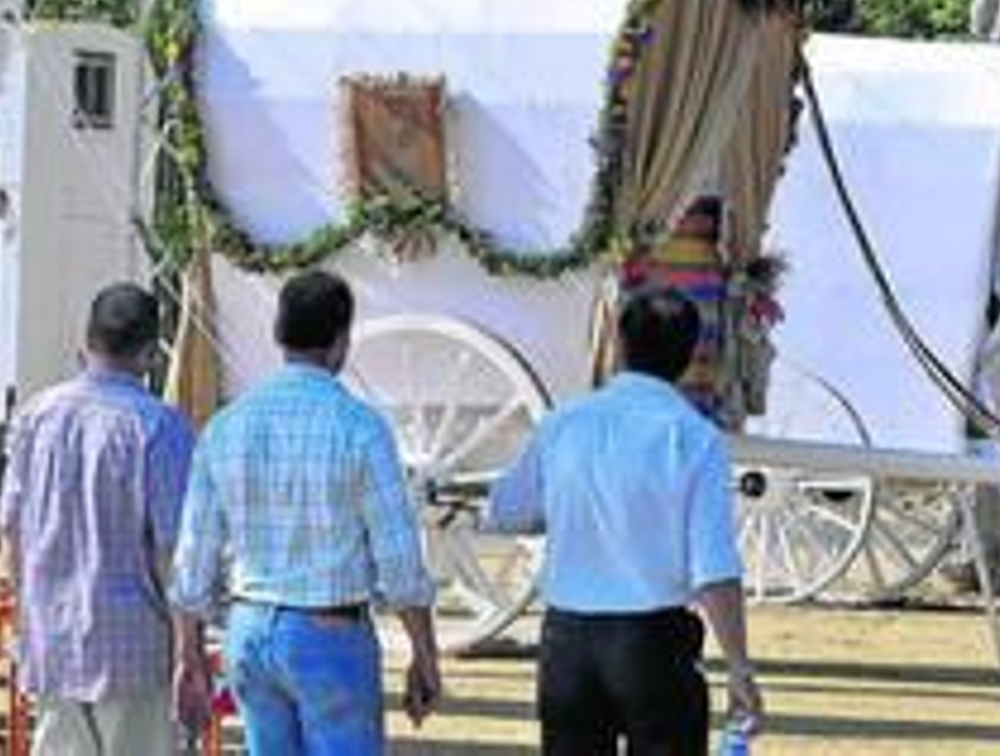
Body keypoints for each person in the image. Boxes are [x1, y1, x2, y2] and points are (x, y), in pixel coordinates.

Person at [170, 269, 441, 755]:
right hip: (329, 631)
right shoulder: (360, 427)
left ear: (279, 334)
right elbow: (399, 559)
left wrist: (187, 653)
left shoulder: (227, 426)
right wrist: (424, 651)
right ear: (341, 341)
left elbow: (194, 553)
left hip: (249, 628)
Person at [486, 283, 762, 755]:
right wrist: (739, 664)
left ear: (618, 344)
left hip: (567, 639)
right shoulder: (693, 437)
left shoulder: (563, 423)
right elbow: (713, 567)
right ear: (691, 355)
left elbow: (508, 511)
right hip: (652, 640)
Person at [0, 283, 195, 755]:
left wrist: (27, 615)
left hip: (51, 642)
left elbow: (11, 528)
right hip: (135, 647)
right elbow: (174, 552)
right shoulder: (160, 427)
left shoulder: (35, 417)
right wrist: (190, 649)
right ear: (151, 352)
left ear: (84, 344)